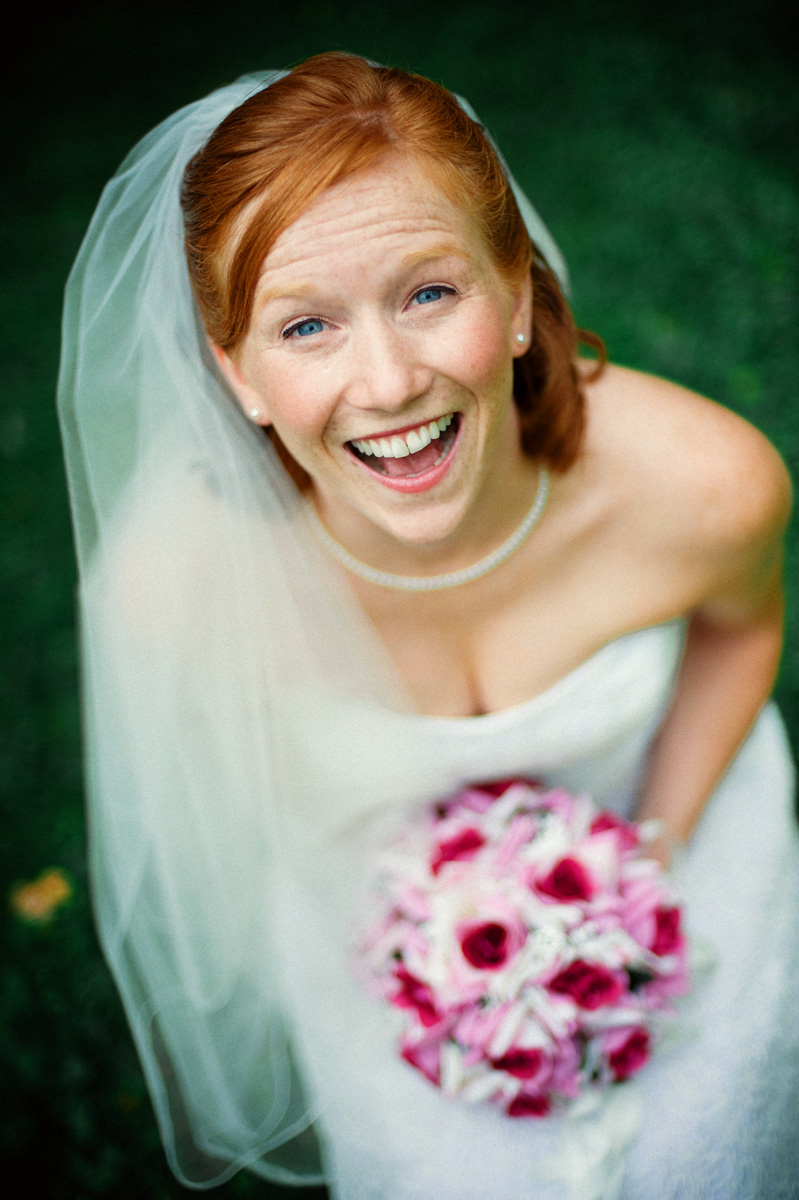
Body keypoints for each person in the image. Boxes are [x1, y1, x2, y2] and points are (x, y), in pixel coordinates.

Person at [57, 52, 799, 1200]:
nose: (390, 381)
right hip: (390, 935)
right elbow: (231, 803)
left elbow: (741, 635)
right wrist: (423, 936)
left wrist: (651, 851)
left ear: (514, 297)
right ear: (234, 373)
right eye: (305, 328)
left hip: (681, 823)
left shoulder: (706, 487)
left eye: (427, 292)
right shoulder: (172, 588)